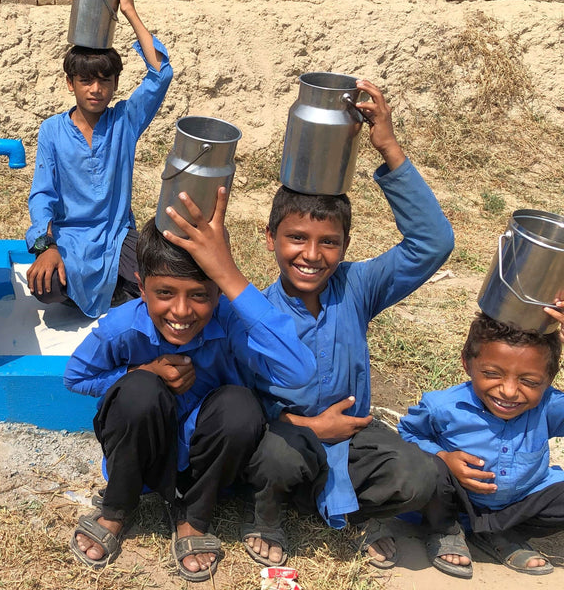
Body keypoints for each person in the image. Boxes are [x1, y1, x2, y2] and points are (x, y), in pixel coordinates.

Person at [239, 79, 455, 569]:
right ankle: (268, 516)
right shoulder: (257, 313)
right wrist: (312, 426)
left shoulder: (357, 287)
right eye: (296, 238)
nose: (312, 256)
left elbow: (433, 243)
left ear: (346, 245)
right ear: (270, 236)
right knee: (276, 455)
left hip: (355, 436)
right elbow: (247, 408)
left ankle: (350, 509)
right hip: (290, 438)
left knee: (420, 475)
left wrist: (388, 145)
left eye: (329, 243)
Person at [64, 188, 316, 582]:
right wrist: (139, 371)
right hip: (143, 460)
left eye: (200, 295)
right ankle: (116, 508)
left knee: (240, 405)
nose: (181, 312)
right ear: (141, 285)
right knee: (139, 392)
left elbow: (300, 374)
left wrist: (230, 276)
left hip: (210, 463)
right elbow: (76, 377)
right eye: (164, 293)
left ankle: (195, 518)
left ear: (218, 291)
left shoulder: (231, 321)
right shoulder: (123, 326)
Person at [26, 0, 172, 318]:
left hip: (117, 236)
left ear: (115, 84)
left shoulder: (125, 121)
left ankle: (113, 289)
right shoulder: (52, 130)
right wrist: (47, 246)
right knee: (44, 287)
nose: (96, 89)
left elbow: (160, 73)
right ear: (70, 83)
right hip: (70, 239)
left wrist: (130, 10)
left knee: (165, 273)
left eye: (105, 80)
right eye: (86, 81)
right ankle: (116, 292)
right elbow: (42, 195)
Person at [399, 310, 564, 579]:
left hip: (518, 506)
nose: (509, 391)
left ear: (549, 379)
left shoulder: (548, 406)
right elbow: (407, 435)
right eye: (491, 373)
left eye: (529, 381)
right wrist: (443, 456)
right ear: (467, 363)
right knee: (430, 467)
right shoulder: (442, 406)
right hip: (453, 503)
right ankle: (445, 530)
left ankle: (497, 533)